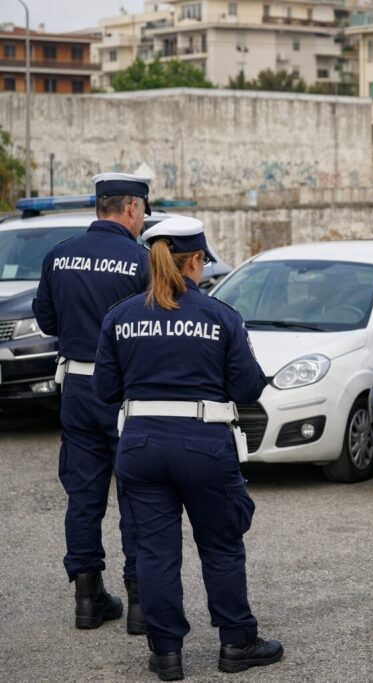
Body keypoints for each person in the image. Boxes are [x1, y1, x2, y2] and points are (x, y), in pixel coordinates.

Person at [93, 217, 281, 680]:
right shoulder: (220, 316)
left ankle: (166, 653)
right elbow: (247, 387)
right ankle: (236, 643)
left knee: (154, 552)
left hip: (140, 443)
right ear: (196, 260)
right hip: (204, 445)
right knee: (220, 547)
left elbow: (104, 389)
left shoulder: (120, 317)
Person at [33, 172, 152, 634]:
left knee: (83, 497)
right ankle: (141, 603)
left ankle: (87, 598)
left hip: (78, 389)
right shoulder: (139, 260)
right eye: (142, 212)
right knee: (138, 495)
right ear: (130, 209)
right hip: (126, 392)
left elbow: (46, 321)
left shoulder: (58, 255)